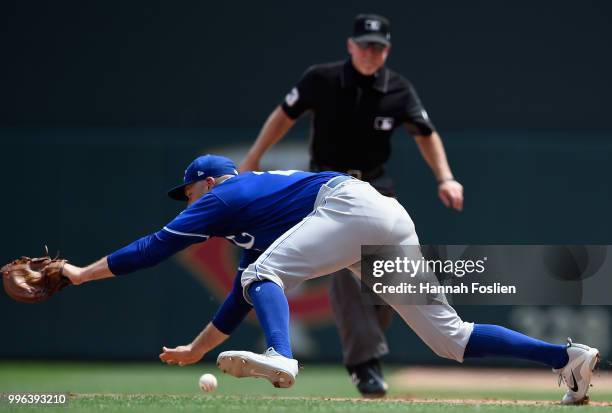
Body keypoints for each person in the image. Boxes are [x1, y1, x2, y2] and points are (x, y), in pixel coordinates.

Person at [63, 154, 599, 405]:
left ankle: (281, 355)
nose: (189, 206)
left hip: (345, 207)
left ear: (206, 183)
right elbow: (239, 297)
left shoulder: (223, 196)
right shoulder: (253, 210)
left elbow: (155, 247)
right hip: (382, 216)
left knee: (264, 272)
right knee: (450, 339)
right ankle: (567, 358)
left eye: (189, 194)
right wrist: (195, 349)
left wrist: (82, 275)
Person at [239, 13, 463, 397]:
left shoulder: (398, 89)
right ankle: (364, 365)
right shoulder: (322, 79)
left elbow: (425, 133)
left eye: (377, 47)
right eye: (364, 45)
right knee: (347, 267)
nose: (370, 53)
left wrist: (445, 176)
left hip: (374, 189)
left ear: (387, 50)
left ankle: (366, 353)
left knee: (391, 281)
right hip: (326, 190)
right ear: (350, 45)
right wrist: (255, 156)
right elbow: (284, 115)